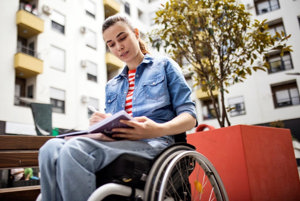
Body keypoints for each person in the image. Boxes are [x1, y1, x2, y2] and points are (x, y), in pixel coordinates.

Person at [38, 14, 197, 201]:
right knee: (50, 149)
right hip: (120, 144)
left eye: (122, 38)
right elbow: (115, 127)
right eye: (111, 44)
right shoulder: (112, 85)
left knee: (74, 151)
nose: (119, 47)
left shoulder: (164, 66)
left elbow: (190, 117)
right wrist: (99, 127)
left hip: (156, 144)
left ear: (136, 34)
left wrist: (156, 130)